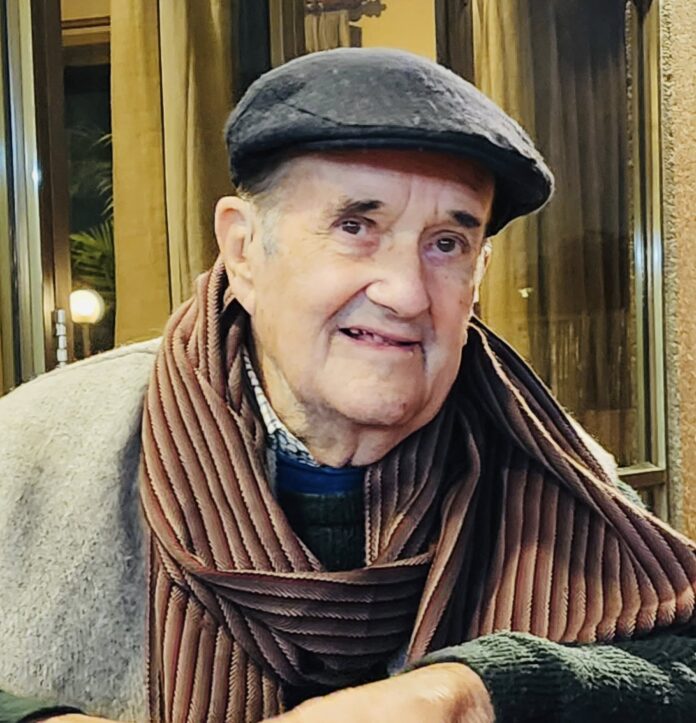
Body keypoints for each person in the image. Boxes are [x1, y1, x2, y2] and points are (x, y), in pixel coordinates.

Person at [2, 48, 696, 723]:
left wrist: (482, 692)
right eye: (356, 226)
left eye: (447, 244)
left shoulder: (554, 462)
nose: (406, 293)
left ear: (478, 273)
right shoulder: (31, 448)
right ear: (243, 250)